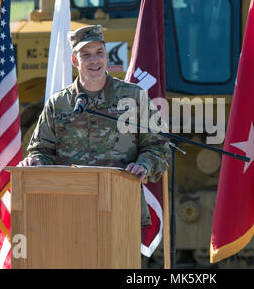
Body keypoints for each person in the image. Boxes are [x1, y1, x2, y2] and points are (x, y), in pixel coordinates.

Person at [19, 24, 171, 226]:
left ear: (107, 56)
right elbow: (41, 150)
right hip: (69, 211)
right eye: (86, 54)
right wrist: (36, 162)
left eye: (99, 53)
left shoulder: (133, 97)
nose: (94, 60)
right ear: (75, 60)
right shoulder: (59, 103)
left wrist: (144, 165)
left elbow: (159, 145)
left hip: (121, 206)